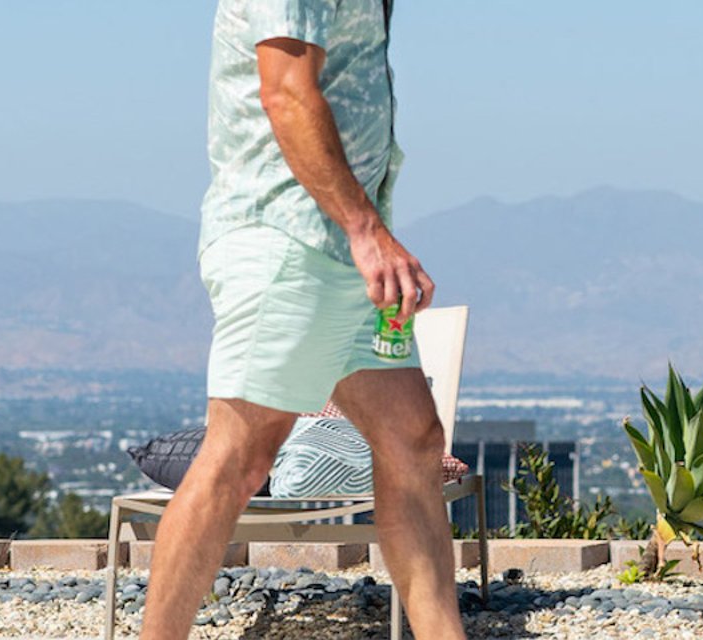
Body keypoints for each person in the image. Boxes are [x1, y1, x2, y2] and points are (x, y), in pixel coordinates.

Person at [141, 1, 466, 638]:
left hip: (347, 250)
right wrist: (367, 230)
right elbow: (285, 90)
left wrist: (368, 234)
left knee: (413, 440)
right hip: (288, 243)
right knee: (239, 453)